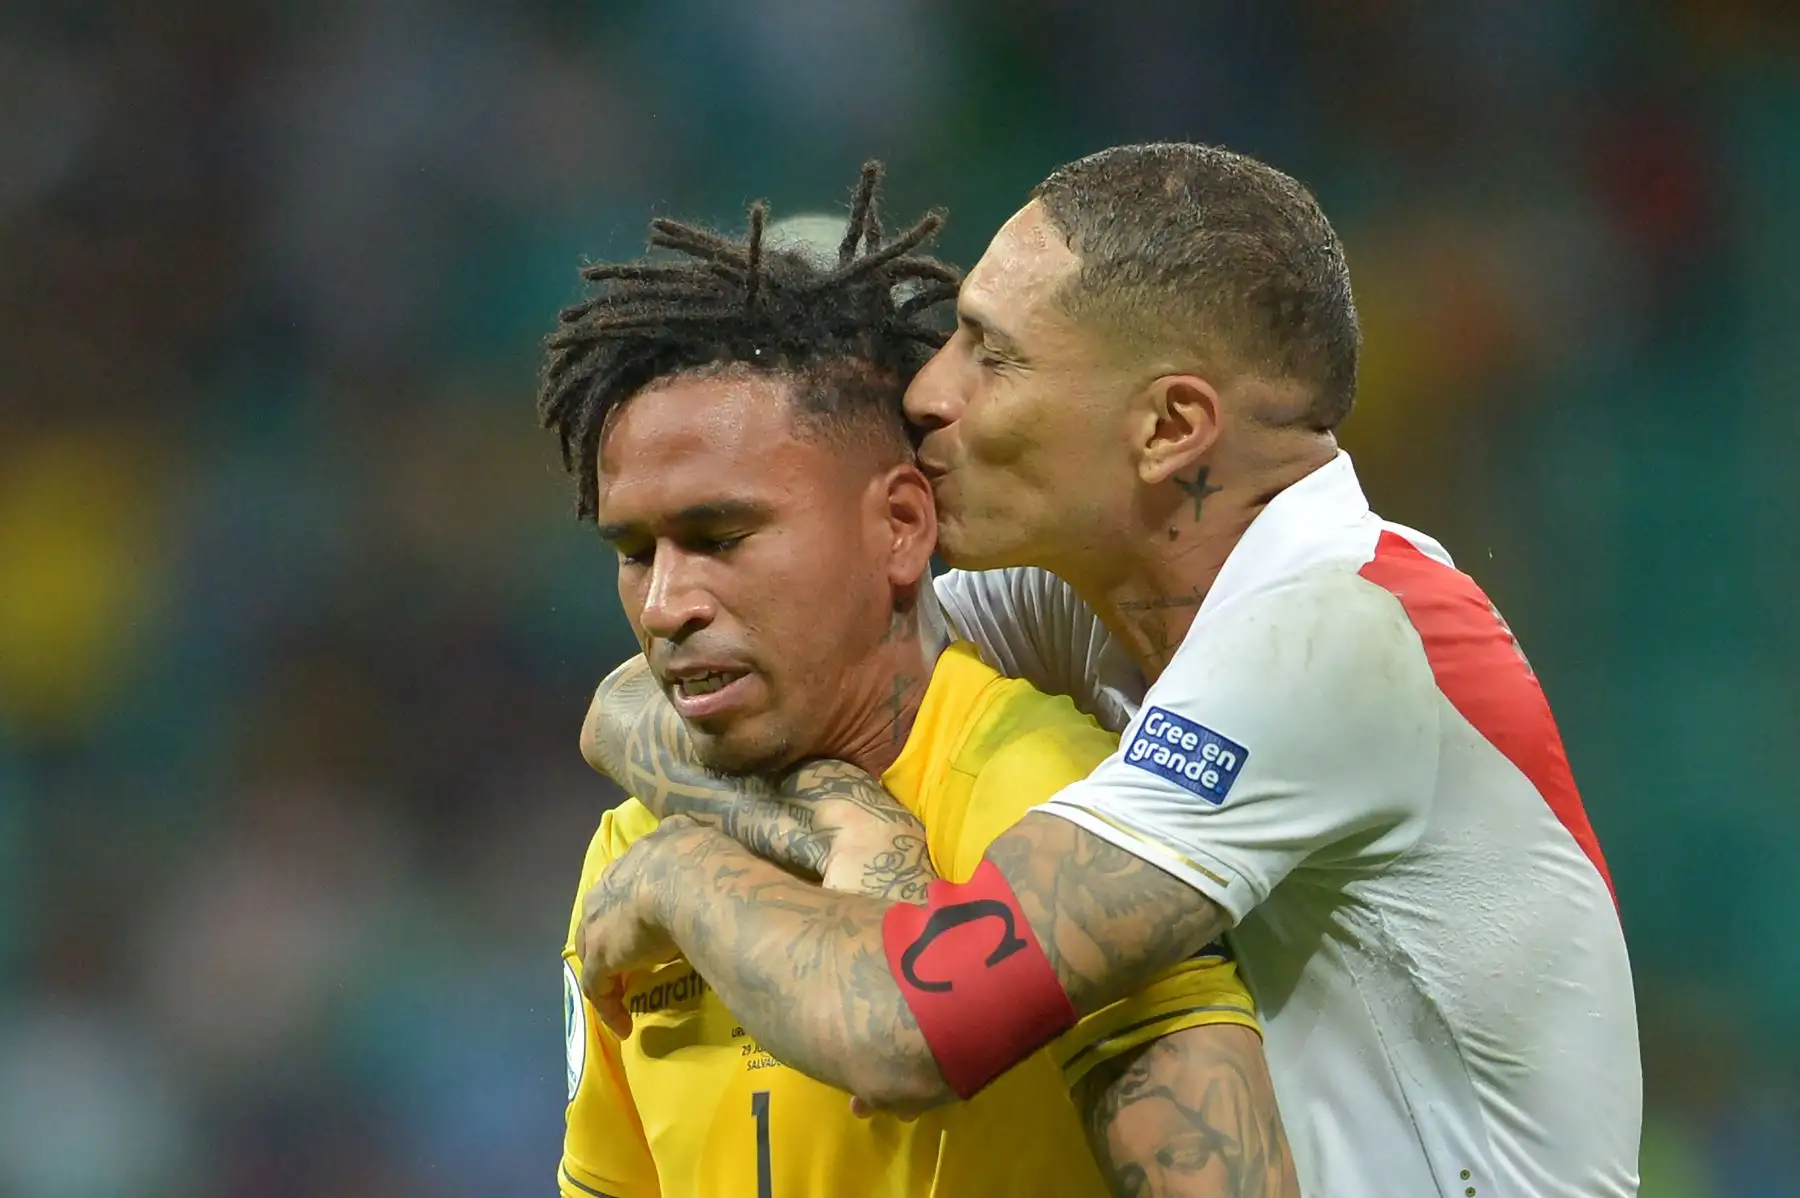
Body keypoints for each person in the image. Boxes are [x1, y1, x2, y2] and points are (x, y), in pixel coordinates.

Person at [574, 143, 1644, 1197]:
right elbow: (680, 691)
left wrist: (685, 875)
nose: (929, 391)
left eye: (991, 355)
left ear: (1169, 427)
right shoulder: (1091, 599)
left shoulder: (1334, 634)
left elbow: (915, 1025)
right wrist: (837, 816)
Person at [541, 164, 1295, 1198]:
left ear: (900, 526)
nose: (667, 604)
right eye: (636, 552)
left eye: (721, 537)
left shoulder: (1050, 804)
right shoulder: (631, 843)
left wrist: (691, 876)